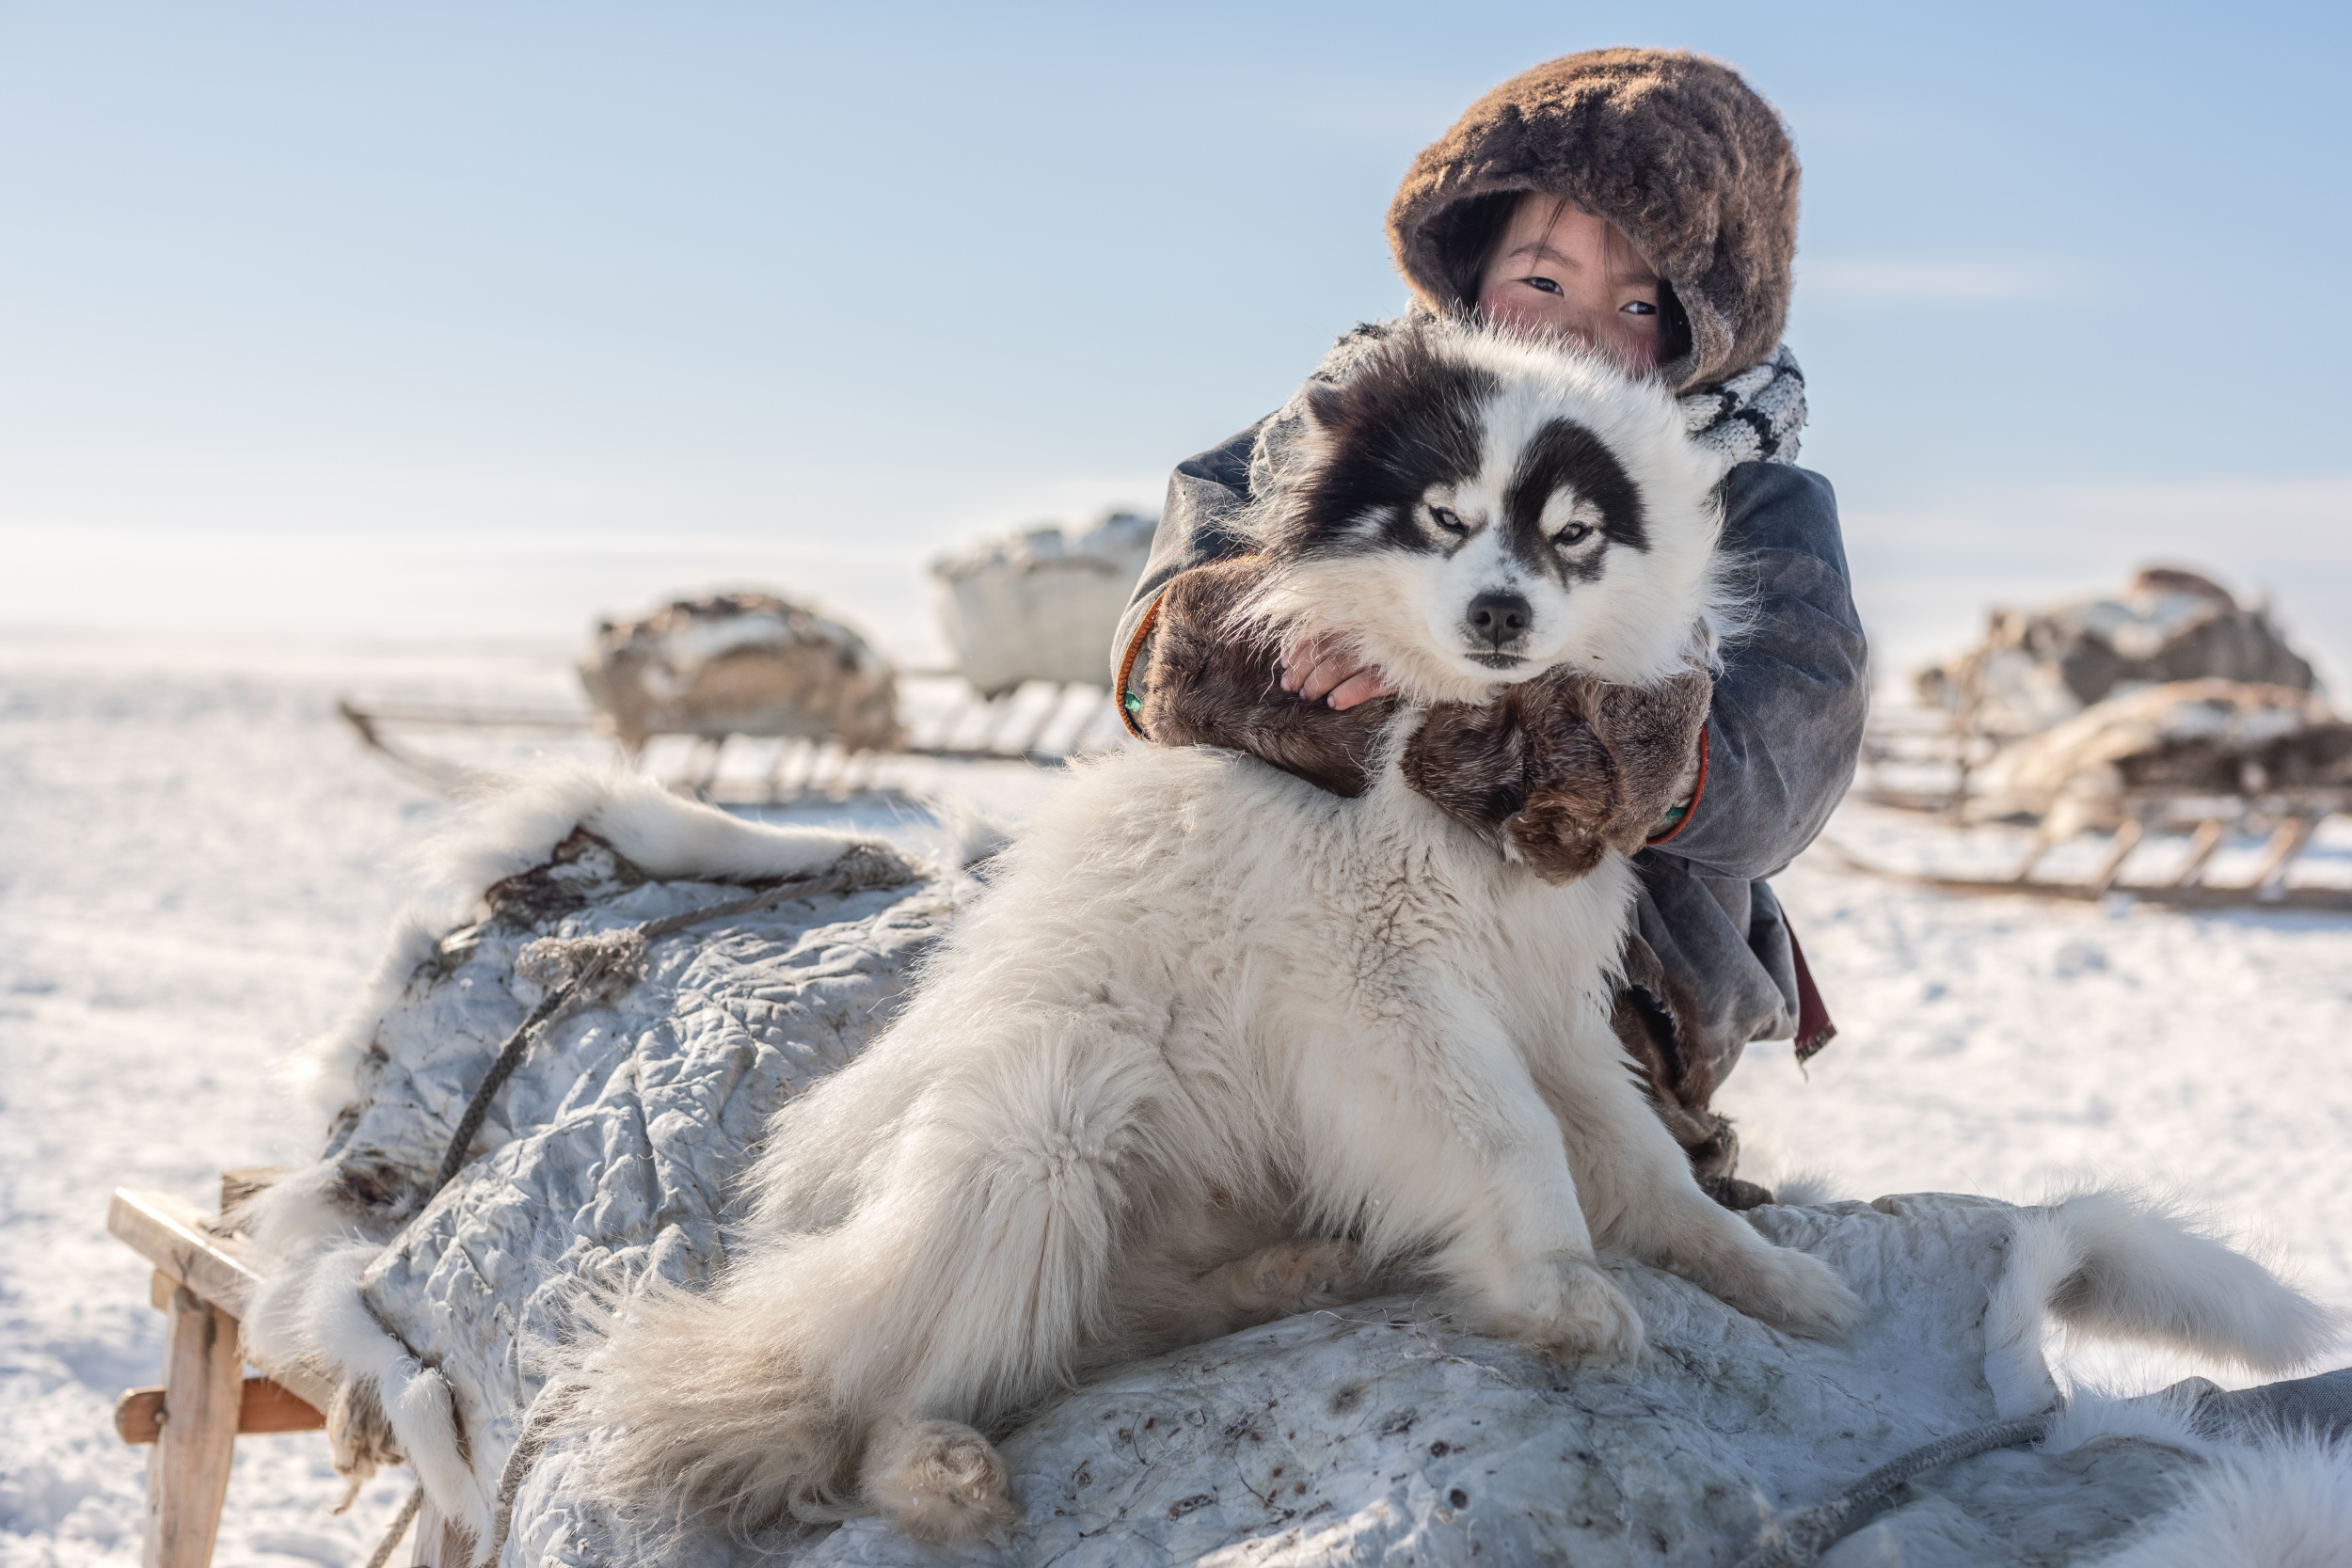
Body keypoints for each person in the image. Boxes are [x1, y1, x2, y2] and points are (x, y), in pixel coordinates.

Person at [1106, 49, 1867, 1208]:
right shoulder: (1335, 426)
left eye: (1639, 301)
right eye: (1543, 281)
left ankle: (1635, 1157)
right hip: (1289, 903)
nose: (1577, 333)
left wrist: (1509, 716)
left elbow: (1777, 772)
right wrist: (1286, 656)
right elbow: (1162, 645)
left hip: (1612, 967)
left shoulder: (1754, 497)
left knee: (1565, 1121)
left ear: (1698, 330)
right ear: (1466, 274)